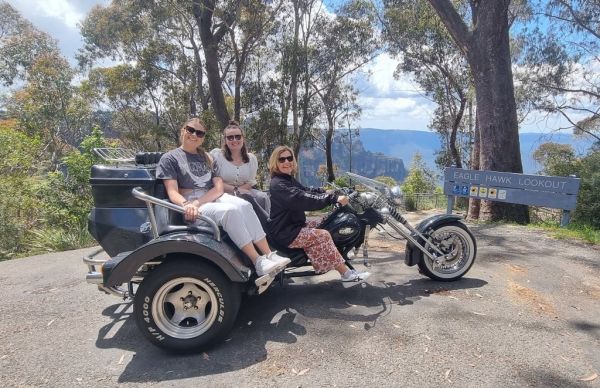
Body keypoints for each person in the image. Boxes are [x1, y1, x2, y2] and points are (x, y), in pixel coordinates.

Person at [155, 117, 290, 276]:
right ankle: (257, 261)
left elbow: (218, 188)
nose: (194, 135)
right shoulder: (170, 158)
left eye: (199, 133)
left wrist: (199, 201)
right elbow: (172, 192)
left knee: (244, 205)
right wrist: (188, 204)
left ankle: (268, 254)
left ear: (203, 137)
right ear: (183, 130)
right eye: (190, 130)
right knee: (230, 212)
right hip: (192, 207)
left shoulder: (207, 157)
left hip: (208, 198)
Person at [267, 145, 371, 283]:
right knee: (322, 235)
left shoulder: (287, 179)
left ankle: (339, 256)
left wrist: (326, 191)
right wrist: (332, 199)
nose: (286, 162)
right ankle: (346, 275)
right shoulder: (278, 184)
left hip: (294, 226)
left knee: (330, 222)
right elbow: (302, 198)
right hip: (286, 233)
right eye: (282, 159)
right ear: (276, 162)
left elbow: (306, 190)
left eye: (289, 158)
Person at [210, 120, 270, 214]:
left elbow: (250, 182)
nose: (234, 140)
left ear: (243, 138)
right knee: (242, 203)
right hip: (223, 193)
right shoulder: (217, 156)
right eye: (230, 137)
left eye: (238, 137)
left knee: (262, 197)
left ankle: (268, 225)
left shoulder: (251, 159)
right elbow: (214, 181)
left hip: (244, 190)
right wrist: (236, 191)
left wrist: (242, 191)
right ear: (225, 140)